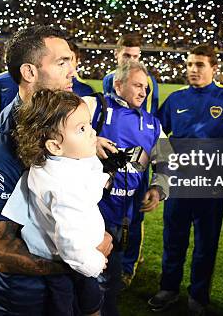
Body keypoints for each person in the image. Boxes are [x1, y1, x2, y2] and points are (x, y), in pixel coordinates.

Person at [0, 26, 113, 315]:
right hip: (28, 297)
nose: (71, 72)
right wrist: (78, 258)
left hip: (68, 287)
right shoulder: (2, 146)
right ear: (29, 72)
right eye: (62, 62)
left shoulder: (55, 118)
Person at [149, 44, 223, 315]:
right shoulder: (177, 99)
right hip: (178, 186)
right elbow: (156, 134)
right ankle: (168, 289)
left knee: (206, 245)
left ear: (214, 68)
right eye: (190, 64)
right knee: (173, 240)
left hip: (211, 188)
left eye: (199, 65)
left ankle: (198, 296)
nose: (193, 69)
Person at [2, 89, 109, 316]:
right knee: (75, 305)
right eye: (81, 129)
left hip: (67, 256)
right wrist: (93, 262)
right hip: (70, 262)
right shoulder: (63, 188)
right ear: (54, 146)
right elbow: (69, 242)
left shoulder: (60, 162)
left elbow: (87, 172)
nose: (92, 133)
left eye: (89, 125)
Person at [87, 59, 170, 316]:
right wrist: (91, 139)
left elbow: (167, 161)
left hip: (125, 216)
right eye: (137, 85)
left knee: (110, 282)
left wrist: (157, 189)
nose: (143, 92)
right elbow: (59, 133)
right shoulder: (94, 106)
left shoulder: (153, 124)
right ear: (118, 84)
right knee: (82, 278)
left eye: (145, 87)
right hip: (87, 213)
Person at [102, 34, 159, 115]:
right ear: (116, 54)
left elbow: (149, 116)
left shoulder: (148, 81)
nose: (131, 61)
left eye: (135, 57)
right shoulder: (108, 79)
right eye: (127, 56)